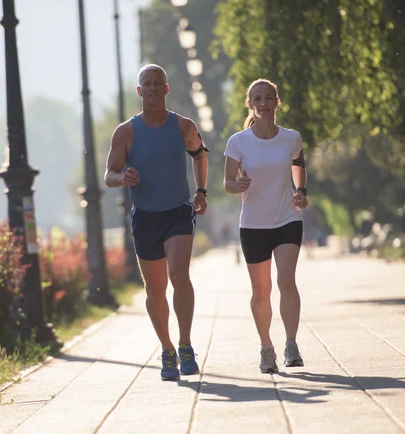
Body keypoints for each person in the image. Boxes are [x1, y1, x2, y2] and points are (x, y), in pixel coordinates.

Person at [104, 64, 209, 381]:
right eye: (146, 84)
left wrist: (201, 191)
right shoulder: (126, 132)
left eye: (157, 84)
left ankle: (186, 344)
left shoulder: (183, 126)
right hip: (145, 216)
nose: (151, 89)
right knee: (155, 288)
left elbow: (200, 155)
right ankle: (167, 350)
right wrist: (123, 177)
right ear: (139, 91)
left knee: (179, 274)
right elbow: (109, 175)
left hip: (178, 211)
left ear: (166, 89)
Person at [223, 78, 308, 374]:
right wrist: (238, 184)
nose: (262, 103)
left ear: (276, 102)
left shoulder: (291, 138)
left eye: (268, 98)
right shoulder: (237, 142)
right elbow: (228, 183)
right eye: (257, 98)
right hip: (254, 225)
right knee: (261, 290)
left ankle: (291, 344)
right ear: (250, 104)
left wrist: (301, 191)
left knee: (286, 281)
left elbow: (299, 164)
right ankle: (265, 347)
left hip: (287, 219)